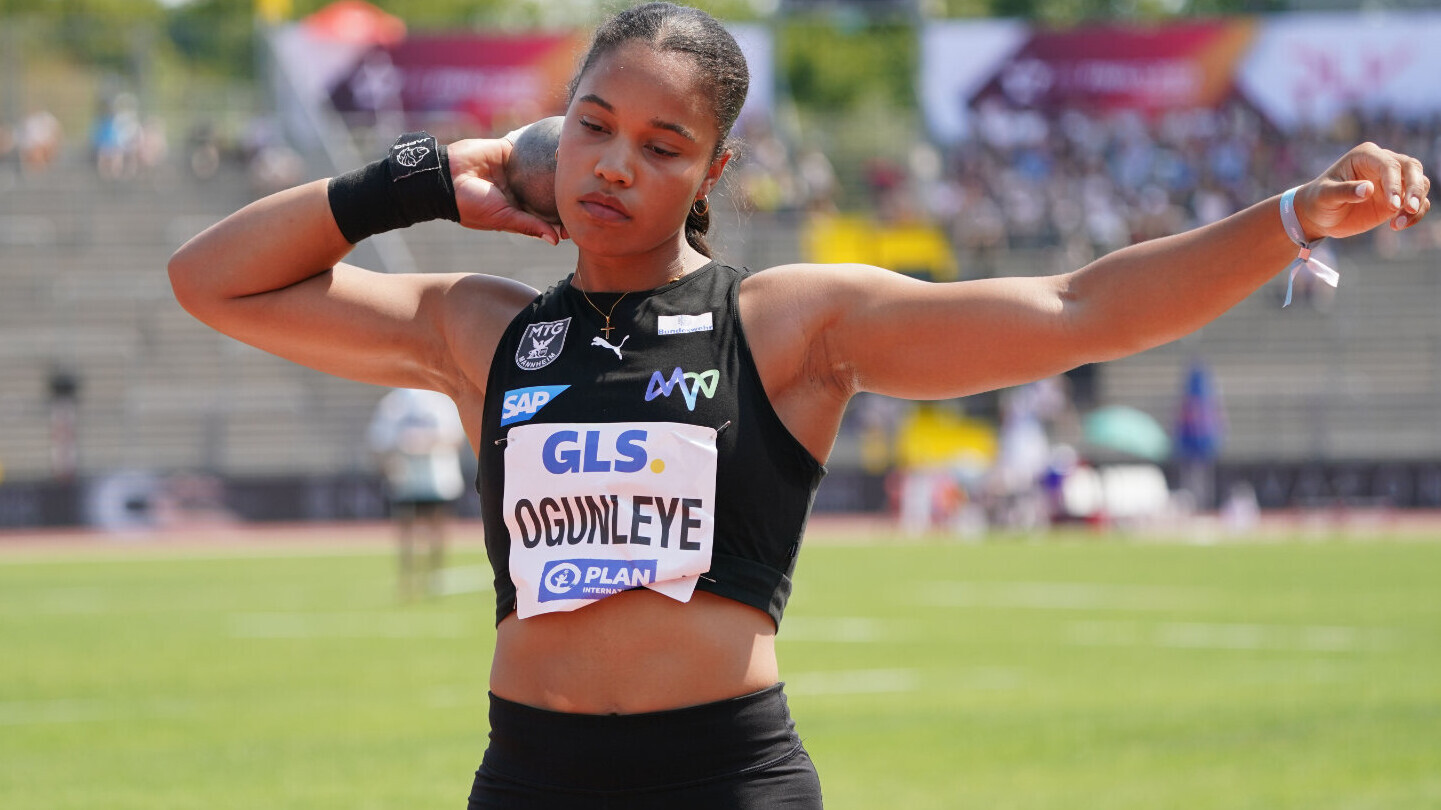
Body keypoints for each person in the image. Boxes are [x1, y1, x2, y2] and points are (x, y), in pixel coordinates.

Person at [166, 3, 1430, 806]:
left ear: (713, 171)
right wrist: (427, 176)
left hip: (724, 779)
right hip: (529, 775)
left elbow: (1073, 310)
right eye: (593, 126)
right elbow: (208, 281)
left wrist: (1288, 219)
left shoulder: (784, 324)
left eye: (662, 146)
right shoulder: (481, 329)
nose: (615, 163)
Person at [366, 387, 469, 601]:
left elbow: (456, 436)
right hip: (406, 477)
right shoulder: (393, 403)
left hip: (437, 477)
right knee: (406, 530)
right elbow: (379, 441)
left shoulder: (440, 401)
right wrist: (399, 450)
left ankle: (435, 576)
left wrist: (427, 441)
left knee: (437, 527)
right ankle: (408, 578)